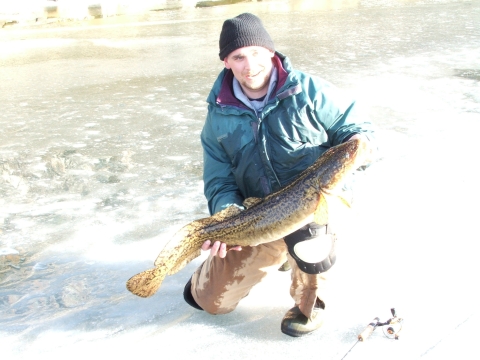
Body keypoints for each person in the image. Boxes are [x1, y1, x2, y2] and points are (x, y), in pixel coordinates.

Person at [183, 13, 376, 337]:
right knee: (208, 302)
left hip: (317, 203)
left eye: (257, 52)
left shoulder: (310, 92)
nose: (250, 64)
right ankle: (272, 253)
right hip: (257, 214)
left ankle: (310, 300)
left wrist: (359, 145)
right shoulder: (218, 115)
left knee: (312, 241)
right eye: (238, 56)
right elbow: (219, 179)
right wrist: (226, 217)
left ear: (271, 52)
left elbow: (359, 132)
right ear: (226, 61)